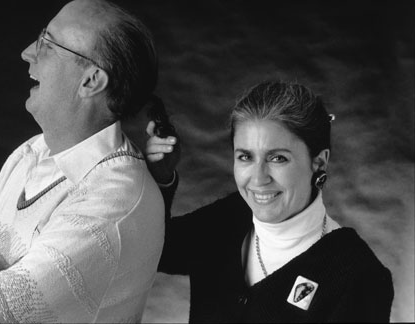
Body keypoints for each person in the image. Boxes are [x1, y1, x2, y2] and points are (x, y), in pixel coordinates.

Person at [0, 0, 165, 323]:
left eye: (48, 44)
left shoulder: (113, 201)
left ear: (91, 81)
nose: (27, 52)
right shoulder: (33, 152)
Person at [145, 81, 394, 322]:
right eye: (245, 157)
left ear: (319, 162)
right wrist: (161, 179)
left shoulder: (359, 276)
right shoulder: (228, 218)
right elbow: (154, 250)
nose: (258, 178)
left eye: (277, 158)